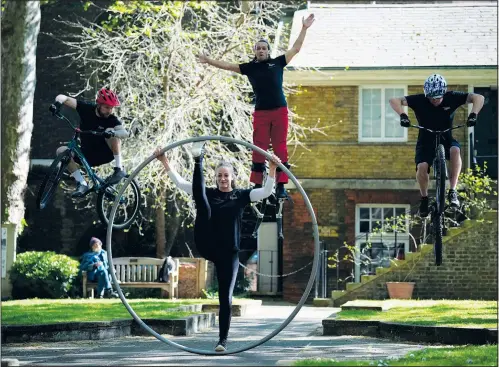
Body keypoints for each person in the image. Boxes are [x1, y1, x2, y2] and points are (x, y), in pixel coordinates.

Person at [154, 142, 280, 352]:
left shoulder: (241, 196)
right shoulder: (209, 193)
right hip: (207, 243)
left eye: (226, 175)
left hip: (228, 252)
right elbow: (180, 183)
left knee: (225, 298)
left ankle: (222, 340)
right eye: (219, 175)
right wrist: (164, 161)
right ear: (216, 177)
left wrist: (273, 169)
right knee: (201, 198)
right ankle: (198, 159)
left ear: (231, 177)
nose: (223, 179)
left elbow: (266, 191)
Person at [197, 14, 315, 198]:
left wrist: (304, 28)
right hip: (261, 112)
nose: (261, 50)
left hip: (279, 111)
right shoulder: (250, 68)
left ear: (268, 51)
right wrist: (208, 60)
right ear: (255, 52)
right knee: (259, 146)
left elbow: (296, 48)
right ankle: (257, 183)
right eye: (258, 48)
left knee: (280, 146)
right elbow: (227, 66)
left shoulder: (277, 62)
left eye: (263, 48)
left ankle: (281, 184)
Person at [389, 74, 484, 217]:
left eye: (438, 98)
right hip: (425, 140)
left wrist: (473, 114)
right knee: (422, 167)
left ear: (444, 93)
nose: (434, 101)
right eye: (431, 98)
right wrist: (403, 115)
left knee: (455, 150)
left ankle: (452, 191)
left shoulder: (452, 97)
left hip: (446, 137)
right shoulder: (420, 100)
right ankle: (424, 199)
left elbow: (479, 97)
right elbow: (394, 100)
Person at [49, 88, 129, 198]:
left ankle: (119, 168)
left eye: (111, 108)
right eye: (106, 107)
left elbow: (125, 133)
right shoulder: (86, 108)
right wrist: (57, 104)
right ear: (98, 104)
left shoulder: (111, 119)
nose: (109, 111)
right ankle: (82, 183)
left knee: (112, 133)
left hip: (104, 154)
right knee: (61, 151)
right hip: (87, 154)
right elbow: (63, 97)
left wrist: (112, 133)